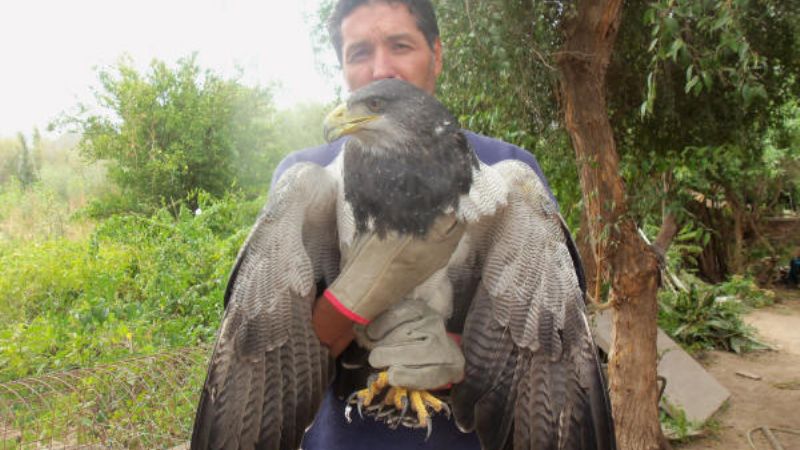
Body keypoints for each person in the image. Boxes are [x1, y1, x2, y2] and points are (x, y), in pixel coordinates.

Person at [269, 1, 569, 448]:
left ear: (437, 55)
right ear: (343, 69)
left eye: (400, 45)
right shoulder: (309, 176)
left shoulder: (506, 171)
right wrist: (357, 296)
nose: (381, 68)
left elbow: (545, 354)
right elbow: (277, 361)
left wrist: (458, 354)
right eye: (359, 53)